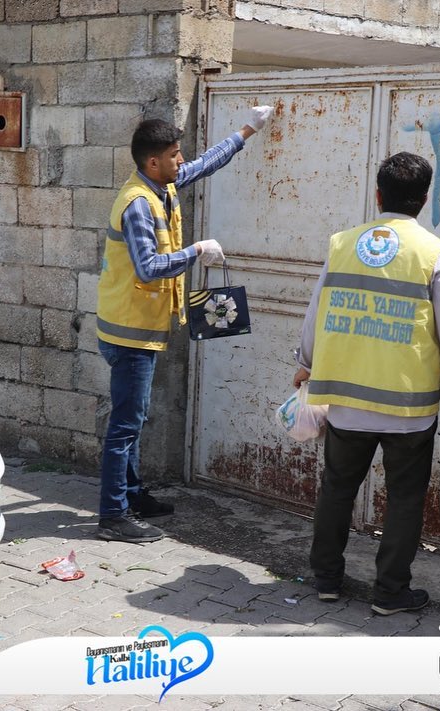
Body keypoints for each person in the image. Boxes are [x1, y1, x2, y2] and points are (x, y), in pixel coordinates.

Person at [292, 152, 440, 615]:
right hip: (406, 409)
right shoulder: (432, 253)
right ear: (424, 199)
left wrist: (305, 362)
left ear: (378, 195)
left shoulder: (342, 243)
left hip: (345, 402)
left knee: (337, 488)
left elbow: (317, 308)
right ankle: (390, 592)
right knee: (403, 498)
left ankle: (326, 580)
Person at [95, 106, 274, 543]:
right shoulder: (139, 204)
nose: (182, 160)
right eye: (175, 155)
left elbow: (206, 163)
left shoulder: (162, 186)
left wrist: (248, 128)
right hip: (129, 332)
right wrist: (196, 252)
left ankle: (133, 497)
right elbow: (149, 267)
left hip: (142, 327)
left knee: (133, 420)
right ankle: (112, 516)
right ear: (152, 162)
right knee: (125, 425)